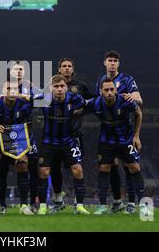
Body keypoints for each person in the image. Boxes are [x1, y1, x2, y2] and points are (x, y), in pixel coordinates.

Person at [85, 78, 148, 215]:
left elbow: (138, 113)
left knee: (134, 167)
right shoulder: (95, 103)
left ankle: (143, 204)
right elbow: (79, 110)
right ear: (101, 92)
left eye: (112, 89)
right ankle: (102, 206)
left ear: (116, 90)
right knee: (104, 168)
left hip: (125, 139)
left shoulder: (125, 100)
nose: (109, 92)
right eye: (106, 90)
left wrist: (136, 136)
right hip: (106, 140)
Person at [0, 81, 35, 215]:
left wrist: (19, 136)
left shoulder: (24, 106)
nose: (12, 91)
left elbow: (29, 127)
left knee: (22, 163)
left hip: (14, 140)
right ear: (2, 91)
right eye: (8, 88)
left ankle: (24, 206)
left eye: (15, 89)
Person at [95, 50, 143, 213]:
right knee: (110, 166)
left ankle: (132, 203)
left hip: (124, 133)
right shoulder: (101, 80)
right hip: (106, 134)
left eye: (115, 61)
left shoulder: (128, 80)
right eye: (110, 60)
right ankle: (117, 202)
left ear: (118, 64)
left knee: (130, 166)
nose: (112, 63)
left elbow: (139, 101)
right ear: (105, 63)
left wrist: (131, 97)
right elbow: (97, 102)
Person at [36, 75, 90, 215]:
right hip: (49, 141)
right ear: (51, 88)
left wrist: (80, 111)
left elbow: (90, 104)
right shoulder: (43, 98)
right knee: (44, 172)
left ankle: (79, 205)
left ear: (66, 87)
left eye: (62, 86)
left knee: (77, 169)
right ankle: (42, 206)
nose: (59, 89)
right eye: (56, 86)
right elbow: (26, 99)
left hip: (68, 140)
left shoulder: (75, 98)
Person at [50, 58, 94, 213]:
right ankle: (58, 201)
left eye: (69, 66)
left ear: (73, 70)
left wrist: (82, 111)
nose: (67, 68)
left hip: (74, 134)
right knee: (54, 169)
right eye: (64, 66)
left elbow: (93, 102)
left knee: (77, 168)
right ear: (59, 70)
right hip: (53, 136)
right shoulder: (52, 87)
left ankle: (78, 202)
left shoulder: (80, 86)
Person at [0, 61, 39, 214]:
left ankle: (33, 203)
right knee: (3, 169)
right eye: (16, 69)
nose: (19, 71)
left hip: (25, 134)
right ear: (10, 72)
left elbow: (42, 100)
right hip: (5, 135)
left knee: (32, 168)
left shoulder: (30, 86)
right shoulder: (2, 85)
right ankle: (2, 205)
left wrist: (18, 94)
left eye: (21, 69)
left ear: (24, 72)